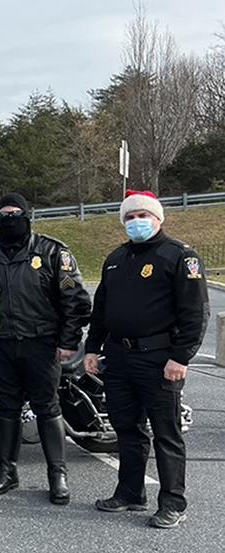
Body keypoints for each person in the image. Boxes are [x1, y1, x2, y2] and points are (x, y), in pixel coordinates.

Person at [85, 190, 209, 529]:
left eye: (143, 216)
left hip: (160, 359)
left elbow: (195, 313)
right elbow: (101, 311)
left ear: (158, 218)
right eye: (130, 217)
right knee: (127, 429)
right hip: (119, 357)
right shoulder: (115, 259)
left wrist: (180, 357)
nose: (136, 222)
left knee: (166, 433)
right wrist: (92, 348)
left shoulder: (179, 257)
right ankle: (129, 492)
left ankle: (172, 502)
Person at [0, 192, 91, 505]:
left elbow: (75, 300)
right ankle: (7, 472)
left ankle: (57, 475)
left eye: (15, 212)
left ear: (27, 215)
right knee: (6, 408)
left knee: (48, 407)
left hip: (41, 344)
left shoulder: (51, 252)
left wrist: (68, 341)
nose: (10, 218)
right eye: (4, 213)